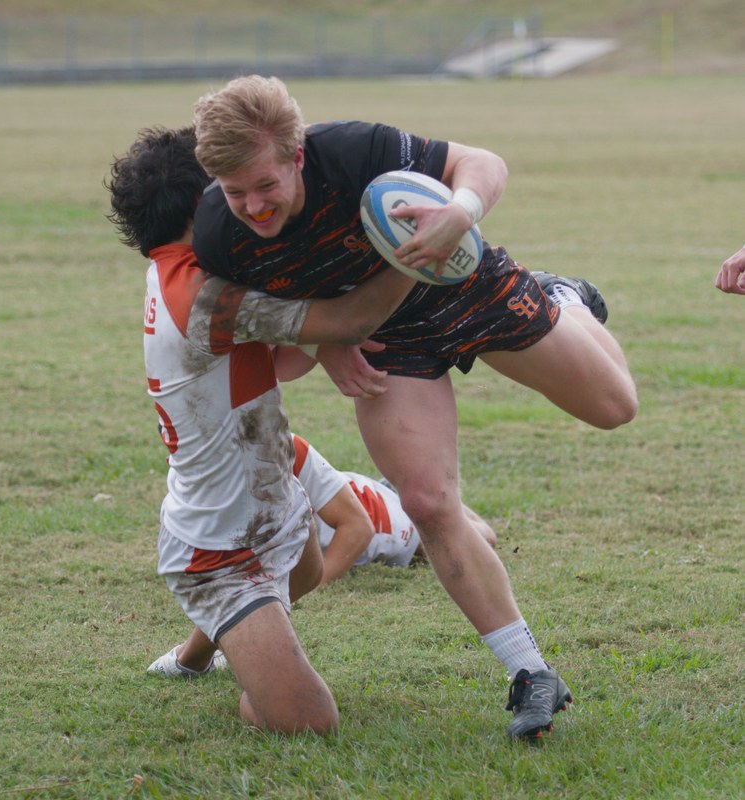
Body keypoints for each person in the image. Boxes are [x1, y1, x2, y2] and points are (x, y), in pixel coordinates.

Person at [190, 75, 639, 740]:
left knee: (613, 408)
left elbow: (481, 163)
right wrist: (326, 338)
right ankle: (528, 672)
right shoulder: (218, 238)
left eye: (265, 186)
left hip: (468, 287)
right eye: (235, 193)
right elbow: (255, 323)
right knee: (427, 502)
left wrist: (460, 210)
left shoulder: (353, 151)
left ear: (297, 156)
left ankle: (562, 298)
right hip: (388, 342)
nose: (253, 206)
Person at [105, 125, 420, 735]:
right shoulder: (203, 293)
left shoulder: (176, 268)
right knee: (307, 723)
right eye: (229, 189)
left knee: (301, 573)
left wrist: (323, 340)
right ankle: (245, 649)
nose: (248, 202)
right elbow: (351, 316)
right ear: (206, 204)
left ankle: (197, 654)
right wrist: (420, 249)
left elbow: (283, 357)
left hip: (271, 498)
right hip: (217, 553)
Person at [148, 432, 498, 676]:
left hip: (392, 520)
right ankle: (402, 490)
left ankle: (442, 501)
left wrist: (318, 579)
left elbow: (358, 530)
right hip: (356, 489)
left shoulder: (281, 449)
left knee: (480, 538)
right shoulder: (219, 461)